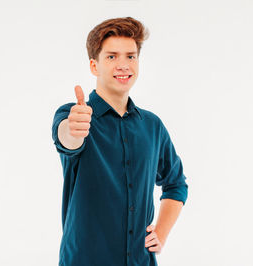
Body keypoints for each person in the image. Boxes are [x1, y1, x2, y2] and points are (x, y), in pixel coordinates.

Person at [51, 16, 188, 266]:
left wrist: (161, 232)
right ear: (94, 65)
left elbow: (176, 183)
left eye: (131, 56)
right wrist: (73, 128)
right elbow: (67, 139)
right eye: (112, 56)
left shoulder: (152, 126)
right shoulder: (74, 115)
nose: (123, 65)